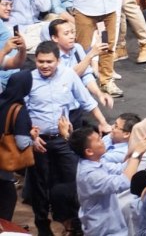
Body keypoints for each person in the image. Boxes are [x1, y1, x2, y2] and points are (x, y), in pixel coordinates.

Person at [27, 41, 111, 235]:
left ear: (58, 60)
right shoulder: (28, 79)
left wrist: (103, 122)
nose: (45, 65)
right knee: (40, 185)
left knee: (74, 179)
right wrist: (30, 132)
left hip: (63, 139)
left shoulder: (69, 75)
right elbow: (20, 109)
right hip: (38, 141)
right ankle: (43, 226)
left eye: (49, 61)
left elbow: (86, 101)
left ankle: (74, 223)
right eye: (40, 61)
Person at [69, 126, 146, 236]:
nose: (102, 142)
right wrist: (135, 154)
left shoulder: (93, 162)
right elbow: (124, 181)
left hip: (109, 224)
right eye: (98, 140)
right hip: (103, 230)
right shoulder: (90, 175)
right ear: (89, 151)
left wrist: (137, 153)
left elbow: (121, 169)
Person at [49, 19, 112, 130]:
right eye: (66, 34)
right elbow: (69, 77)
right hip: (60, 111)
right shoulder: (51, 57)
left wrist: (99, 93)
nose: (72, 36)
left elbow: (86, 75)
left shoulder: (77, 48)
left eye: (72, 32)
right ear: (55, 38)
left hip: (77, 107)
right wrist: (90, 55)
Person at [0, 71, 34, 221]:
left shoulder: (2, 100)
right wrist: (33, 137)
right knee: (7, 201)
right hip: (3, 169)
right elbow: (22, 143)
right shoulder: (18, 109)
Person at [0, 0, 28, 89]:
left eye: (10, 5)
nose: (9, 8)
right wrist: (4, 51)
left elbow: (15, 63)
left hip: (13, 74)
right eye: (5, 4)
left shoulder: (2, 23)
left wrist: (23, 48)